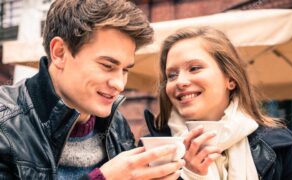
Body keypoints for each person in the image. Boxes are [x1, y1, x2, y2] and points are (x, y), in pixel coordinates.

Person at [0, 0, 185, 179]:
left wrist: (186, 169)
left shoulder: (116, 124)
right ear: (59, 53)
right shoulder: (5, 124)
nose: (119, 85)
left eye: (125, 70)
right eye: (107, 65)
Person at [144, 26, 292, 180]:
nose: (180, 81)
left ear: (230, 79)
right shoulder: (152, 151)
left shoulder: (277, 144)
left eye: (194, 68)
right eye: (172, 75)